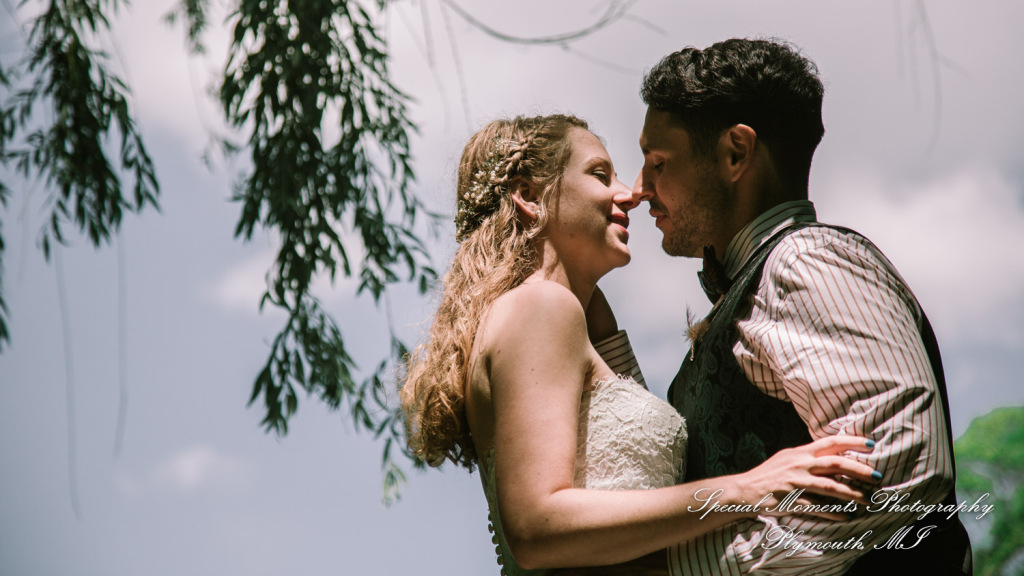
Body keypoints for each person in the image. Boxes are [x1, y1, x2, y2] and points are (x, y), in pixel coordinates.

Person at [400, 114, 880, 576]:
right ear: (529, 196)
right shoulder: (541, 308)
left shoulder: (566, 317)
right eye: (599, 174)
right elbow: (536, 527)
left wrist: (602, 322)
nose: (629, 194)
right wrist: (748, 487)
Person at [626, 38, 973, 574]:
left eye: (657, 162)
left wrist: (695, 568)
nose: (640, 188)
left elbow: (900, 462)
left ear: (735, 153)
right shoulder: (765, 278)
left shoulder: (804, 261)